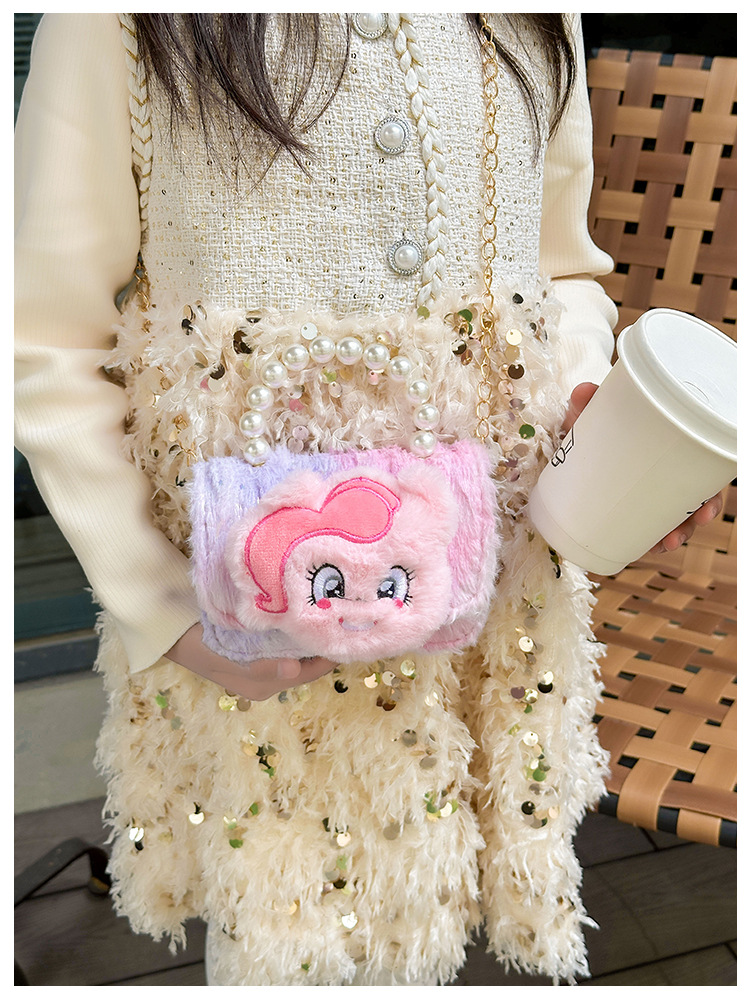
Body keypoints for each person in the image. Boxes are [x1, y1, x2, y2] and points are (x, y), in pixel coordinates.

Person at [15, 13, 722, 987]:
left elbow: (560, 270)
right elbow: (42, 334)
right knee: (280, 908)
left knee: (440, 884)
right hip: (251, 600)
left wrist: (594, 413)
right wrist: (163, 607)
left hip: (495, 583)